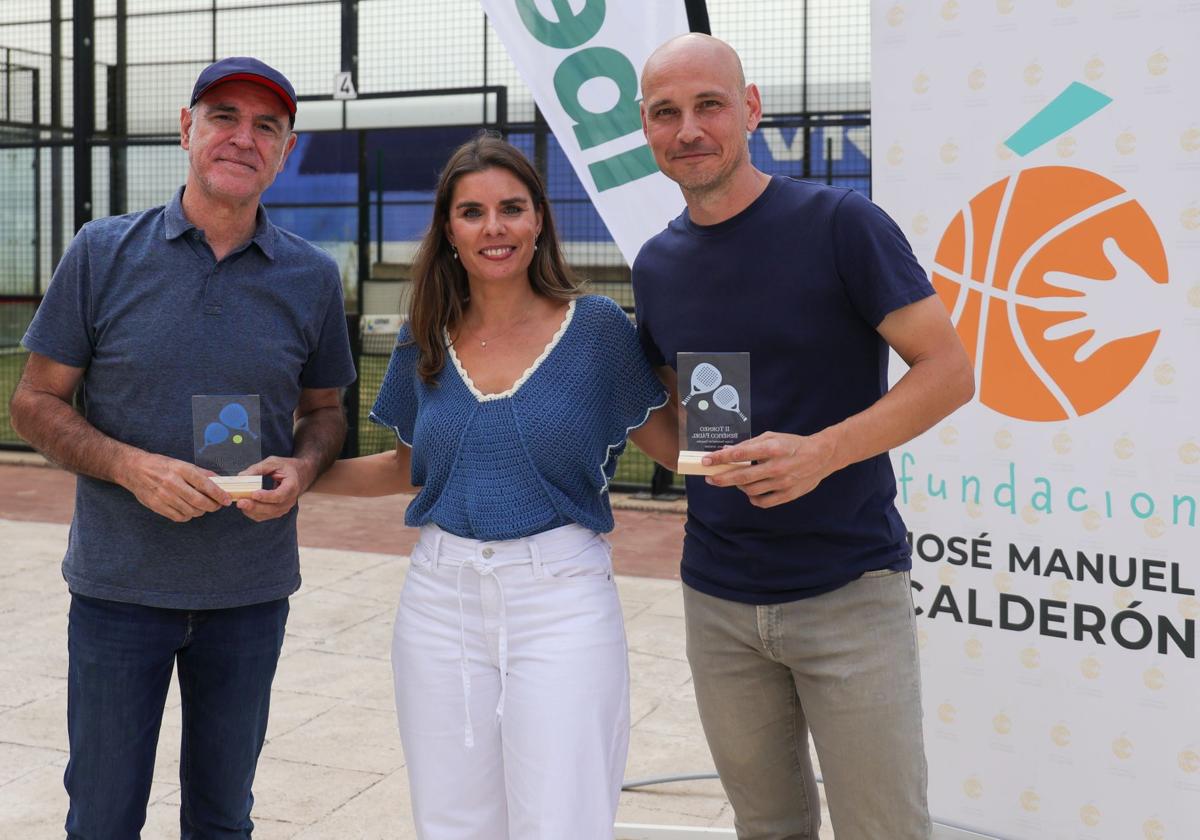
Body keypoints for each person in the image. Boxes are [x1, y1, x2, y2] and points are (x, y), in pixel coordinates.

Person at [633, 34, 975, 840]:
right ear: (646, 130)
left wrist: (822, 452)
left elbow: (950, 371)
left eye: (708, 104)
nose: (688, 129)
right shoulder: (658, 265)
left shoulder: (841, 225)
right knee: (769, 827)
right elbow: (667, 413)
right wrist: (695, 461)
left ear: (750, 109)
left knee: (883, 828)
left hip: (848, 590)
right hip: (716, 598)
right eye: (665, 113)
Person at [9, 57, 356, 838]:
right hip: (118, 592)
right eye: (224, 116)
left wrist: (302, 466)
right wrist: (130, 466)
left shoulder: (309, 277)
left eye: (266, 125)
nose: (244, 137)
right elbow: (33, 402)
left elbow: (326, 412)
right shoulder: (102, 252)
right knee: (101, 817)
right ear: (186, 129)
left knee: (223, 817)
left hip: (249, 594)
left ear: (286, 149)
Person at [310, 132, 677, 840]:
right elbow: (402, 468)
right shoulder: (427, 334)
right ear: (449, 229)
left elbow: (679, 446)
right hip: (437, 603)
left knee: (563, 820)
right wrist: (292, 479)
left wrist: (749, 408)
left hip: (562, 600)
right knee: (452, 823)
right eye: (472, 212)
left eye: (512, 208)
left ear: (539, 218)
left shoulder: (597, 329)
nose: (495, 228)